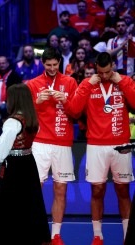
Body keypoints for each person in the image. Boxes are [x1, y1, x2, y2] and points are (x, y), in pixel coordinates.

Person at [62, 51, 135, 245]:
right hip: (96, 144)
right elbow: (74, 110)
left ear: (113, 66)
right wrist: (87, 85)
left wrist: (123, 82)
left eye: (108, 72)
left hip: (121, 144)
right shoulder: (88, 84)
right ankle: (97, 236)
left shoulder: (125, 81)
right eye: (101, 72)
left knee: (123, 191)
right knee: (97, 190)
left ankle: (128, 236)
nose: (104, 76)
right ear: (96, 68)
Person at [26, 47, 79, 245]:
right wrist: (36, 102)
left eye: (55, 65)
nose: (51, 68)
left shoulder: (70, 82)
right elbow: (25, 115)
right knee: (34, 189)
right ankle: (36, 231)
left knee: (60, 190)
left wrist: (65, 100)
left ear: (60, 63)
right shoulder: (32, 84)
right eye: (48, 65)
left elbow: (76, 113)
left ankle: (56, 235)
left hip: (63, 142)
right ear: (42, 63)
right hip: (39, 142)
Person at [0, 83, 51, 245]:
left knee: (12, 207)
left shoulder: (12, 122)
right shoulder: (31, 118)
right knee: (29, 205)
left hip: (15, 168)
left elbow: (0, 154)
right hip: (28, 165)